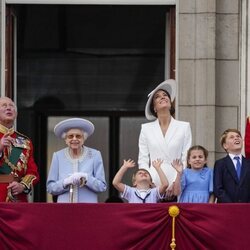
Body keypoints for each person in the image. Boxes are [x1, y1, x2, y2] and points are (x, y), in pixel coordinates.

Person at [138, 79, 192, 201]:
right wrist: (148, 182)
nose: (163, 97)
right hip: (154, 182)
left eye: (165, 95)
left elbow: (185, 157)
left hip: (177, 182)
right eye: (158, 97)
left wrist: (176, 181)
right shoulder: (146, 129)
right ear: (154, 107)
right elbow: (143, 159)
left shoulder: (184, 126)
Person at [47, 118, 107, 203]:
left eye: (78, 136)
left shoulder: (95, 155)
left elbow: (102, 187)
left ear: (84, 138)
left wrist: (86, 178)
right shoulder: (57, 156)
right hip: (64, 209)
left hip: (88, 209)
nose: (74, 139)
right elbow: (50, 188)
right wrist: (65, 182)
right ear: (66, 140)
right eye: (70, 136)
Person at [0, 97, 39, 202]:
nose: (8, 108)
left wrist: (22, 186)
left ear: (16, 114)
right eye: (4, 106)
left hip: (18, 198)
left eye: (11, 106)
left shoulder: (25, 141)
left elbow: (33, 172)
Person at [214, 128, 250, 203]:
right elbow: (218, 188)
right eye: (232, 137)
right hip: (227, 209)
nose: (236, 138)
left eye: (238, 136)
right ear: (225, 145)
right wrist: (232, 205)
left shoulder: (248, 163)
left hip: (247, 208)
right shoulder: (220, 164)